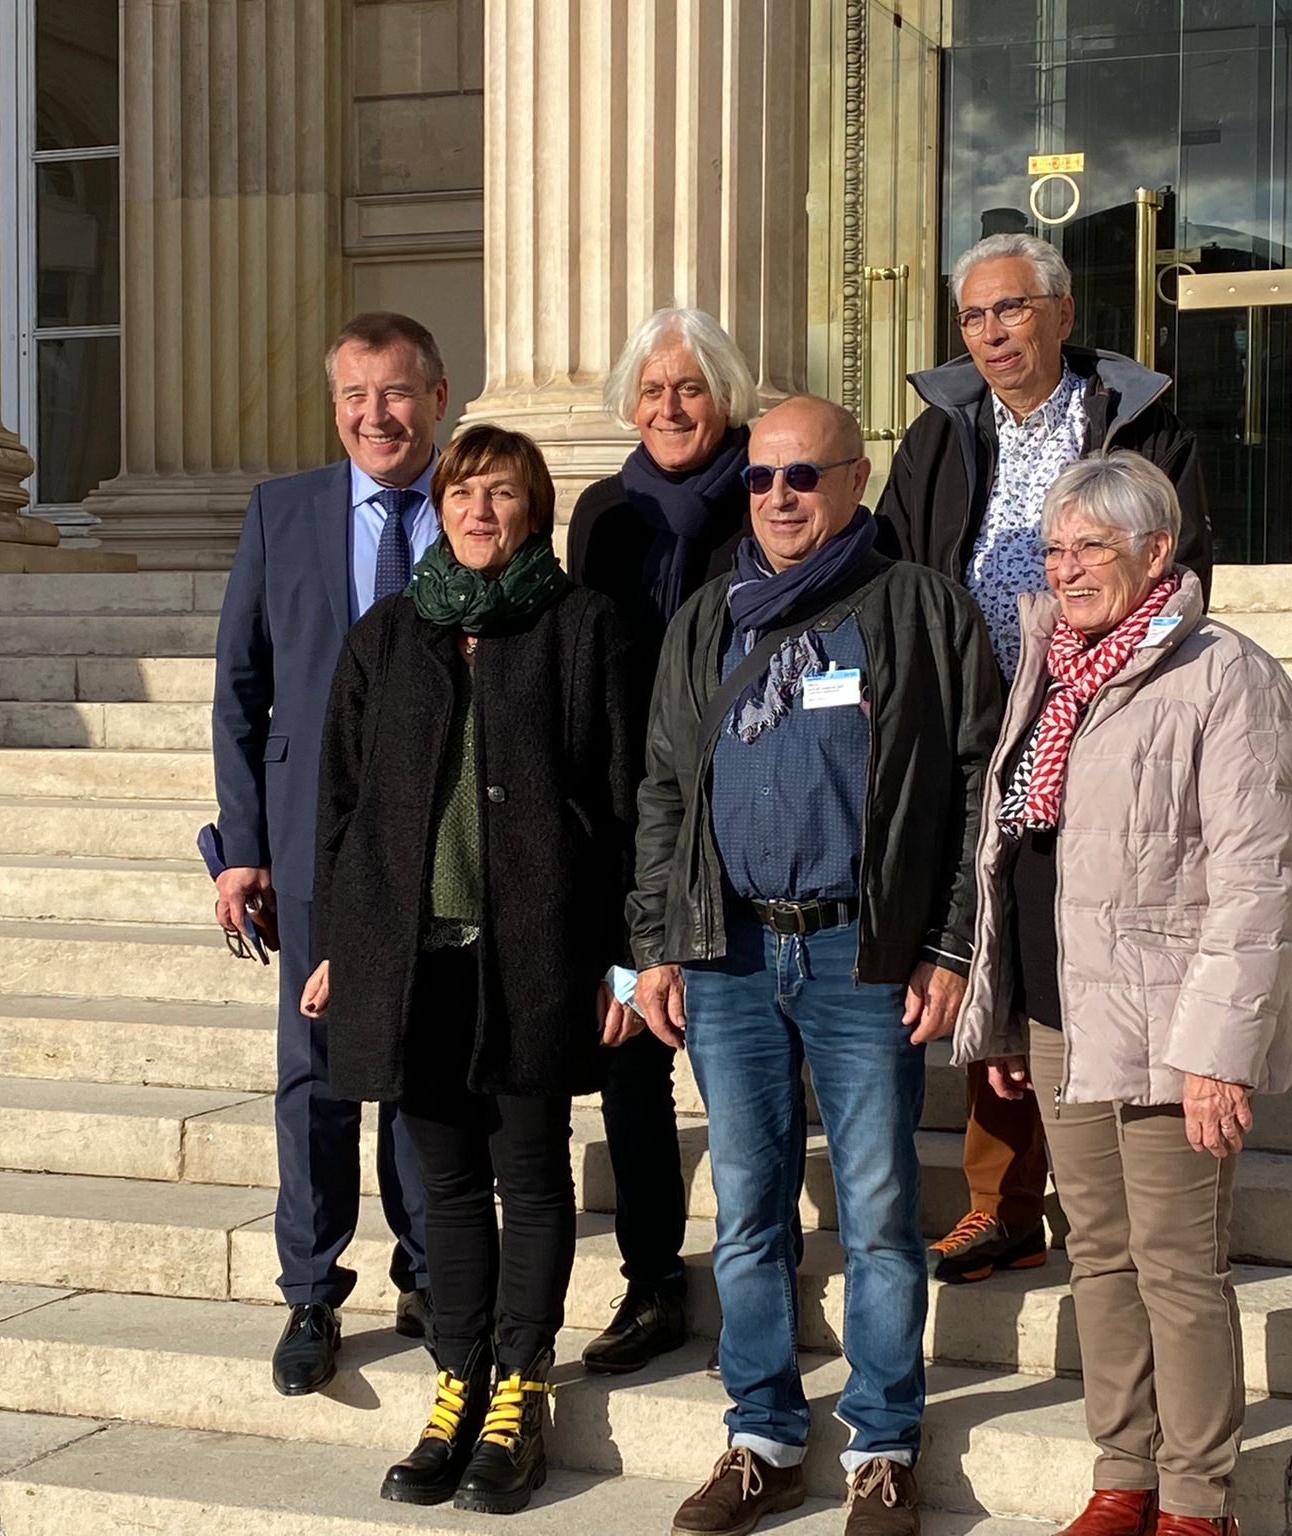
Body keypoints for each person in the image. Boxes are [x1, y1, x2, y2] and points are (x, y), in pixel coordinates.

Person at [632, 395, 1001, 1536]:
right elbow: (660, 791)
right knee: (746, 1210)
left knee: (881, 1211)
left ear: (854, 480)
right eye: (759, 479)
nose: (778, 499)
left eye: (802, 477)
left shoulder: (917, 610)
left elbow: (969, 788)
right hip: (730, 949)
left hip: (858, 952)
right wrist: (653, 942)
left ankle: (884, 1444)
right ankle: (761, 1439)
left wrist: (945, 945)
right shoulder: (709, 620)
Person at [953, 452, 1292, 1536]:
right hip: (1064, 1013)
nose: (1065, 568)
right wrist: (1007, 1006)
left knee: (1177, 1267)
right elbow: (1012, 853)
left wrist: (1216, 1051)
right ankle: (1123, 1473)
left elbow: (1256, 881)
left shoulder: (1222, 674)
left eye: (1089, 548)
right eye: (1054, 549)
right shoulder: (1050, 667)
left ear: (1157, 552)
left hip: (1169, 1025)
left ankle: (1197, 1502)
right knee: (1095, 1253)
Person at [302, 424, 645, 1516]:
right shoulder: (388, 634)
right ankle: (455, 1383)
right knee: (442, 1185)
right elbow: (342, 809)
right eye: (462, 495)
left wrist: (629, 963)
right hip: (413, 961)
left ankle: (520, 1390)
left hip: (535, 957)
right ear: (438, 509)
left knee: (531, 1177)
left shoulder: (582, 627)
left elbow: (627, 802)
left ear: (533, 509)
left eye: (501, 494)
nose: (479, 512)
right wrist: (332, 950)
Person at [875, 231, 1214, 1289]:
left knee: (1086, 940)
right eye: (971, 317)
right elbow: (895, 567)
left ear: (1061, 314)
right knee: (984, 940)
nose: (988, 334)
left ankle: (1111, 1180)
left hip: (1093, 711)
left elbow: (1183, 564)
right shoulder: (937, 437)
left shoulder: (1142, 426)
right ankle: (1001, 1201)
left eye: (1009, 310)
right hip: (971, 721)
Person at [211, 311, 443, 1396]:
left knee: (420, 1056)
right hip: (307, 834)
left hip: (439, 828)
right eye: (353, 396)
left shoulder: (473, 502)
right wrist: (239, 848)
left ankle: (427, 1262)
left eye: (392, 393)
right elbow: (241, 692)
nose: (373, 416)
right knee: (312, 1072)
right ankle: (310, 1287)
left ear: (435, 399)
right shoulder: (282, 513)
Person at [565, 305, 757, 1375]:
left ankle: (753, 1268)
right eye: (652, 390)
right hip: (632, 816)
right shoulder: (600, 513)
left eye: (689, 388)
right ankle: (651, 1280)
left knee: (735, 1061)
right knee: (631, 1059)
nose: (670, 407)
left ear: (724, 396)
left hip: (742, 812)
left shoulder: (771, 493)